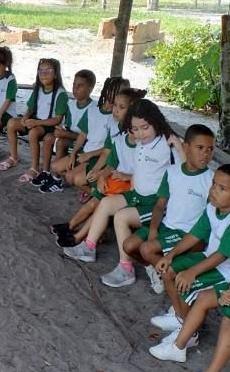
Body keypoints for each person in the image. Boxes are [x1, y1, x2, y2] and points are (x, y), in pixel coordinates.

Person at [147, 165, 230, 372]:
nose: (213, 190)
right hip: (210, 258)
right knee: (169, 271)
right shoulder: (212, 207)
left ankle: (189, 334)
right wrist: (170, 255)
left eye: (222, 188)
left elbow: (223, 255)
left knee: (185, 282)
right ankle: (181, 320)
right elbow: (195, 235)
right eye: (214, 184)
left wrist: (192, 272)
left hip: (227, 270)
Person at [63, 99, 183, 265]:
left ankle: (125, 268)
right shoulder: (142, 141)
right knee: (105, 203)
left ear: (156, 122)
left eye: (145, 128)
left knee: (121, 217)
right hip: (137, 195)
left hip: (156, 203)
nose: (140, 134)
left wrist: (179, 146)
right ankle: (88, 247)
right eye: (135, 129)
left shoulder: (167, 143)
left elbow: (186, 169)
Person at [115, 124, 215, 291]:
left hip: (186, 233)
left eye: (210, 149)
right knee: (129, 246)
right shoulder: (172, 171)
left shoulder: (211, 180)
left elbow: (211, 217)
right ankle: (158, 269)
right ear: (185, 147)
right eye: (200, 147)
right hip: (166, 225)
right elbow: (160, 204)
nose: (206, 153)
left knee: (147, 249)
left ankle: (168, 273)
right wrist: (153, 229)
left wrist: (200, 243)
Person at [52, 88, 146, 249]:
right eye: (115, 105)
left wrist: (125, 177)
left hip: (130, 183)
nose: (115, 110)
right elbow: (112, 159)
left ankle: (78, 237)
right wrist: (101, 174)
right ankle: (72, 226)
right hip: (115, 177)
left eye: (121, 107)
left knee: (99, 203)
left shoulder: (140, 139)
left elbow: (144, 170)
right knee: (94, 200)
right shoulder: (118, 130)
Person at [44, 76, 129, 194]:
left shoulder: (115, 118)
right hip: (86, 152)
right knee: (55, 167)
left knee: (70, 177)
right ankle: (87, 185)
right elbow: (83, 134)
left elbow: (108, 149)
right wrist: (73, 153)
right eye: (114, 91)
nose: (117, 96)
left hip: (97, 157)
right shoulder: (93, 110)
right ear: (106, 90)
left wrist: (89, 155)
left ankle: (92, 191)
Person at [1, 58, 67, 182]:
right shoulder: (38, 88)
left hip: (49, 124)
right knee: (11, 123)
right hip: (36, 121)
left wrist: (37, 123)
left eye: (48, 70)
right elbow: (31, 107)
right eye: (41, 71)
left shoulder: (60, 93)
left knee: (33, 133)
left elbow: (58, 119)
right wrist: (25, 117)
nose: (44, 74)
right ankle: (14, 157)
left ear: (56, 74)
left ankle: (34, 167)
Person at [31, 69, 96, 192]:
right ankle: (46, 172)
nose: (75, 88)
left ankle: (57, 180)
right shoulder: (71, 105)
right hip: (71, 138)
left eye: (80, 86)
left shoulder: (93, 109)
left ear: (90, 88)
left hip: (85, 144)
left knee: (61, 141)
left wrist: (65, 133)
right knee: (49, 138)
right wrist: (62, 130)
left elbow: (89, 137)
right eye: (74, 85)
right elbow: (68, 126)